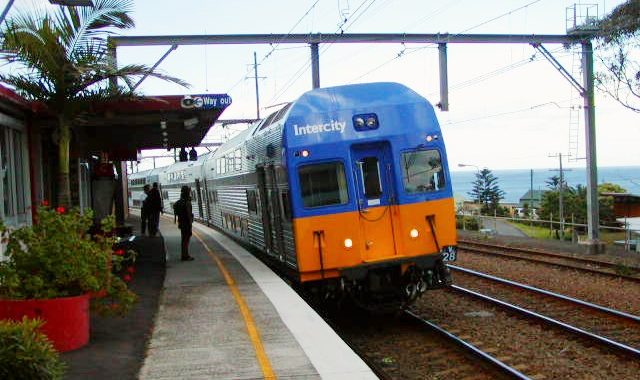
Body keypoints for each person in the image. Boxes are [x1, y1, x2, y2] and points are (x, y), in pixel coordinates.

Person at [174, 185, 194, 261]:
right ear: (187, 192)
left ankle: (184, 255)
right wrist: (190, 223)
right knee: (186, 239)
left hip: (181, 222)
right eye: (189, 191)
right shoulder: (187, 202)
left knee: (183, 239)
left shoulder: (181, 200)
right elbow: (189, 213)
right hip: (186, 223)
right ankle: (185, 256)